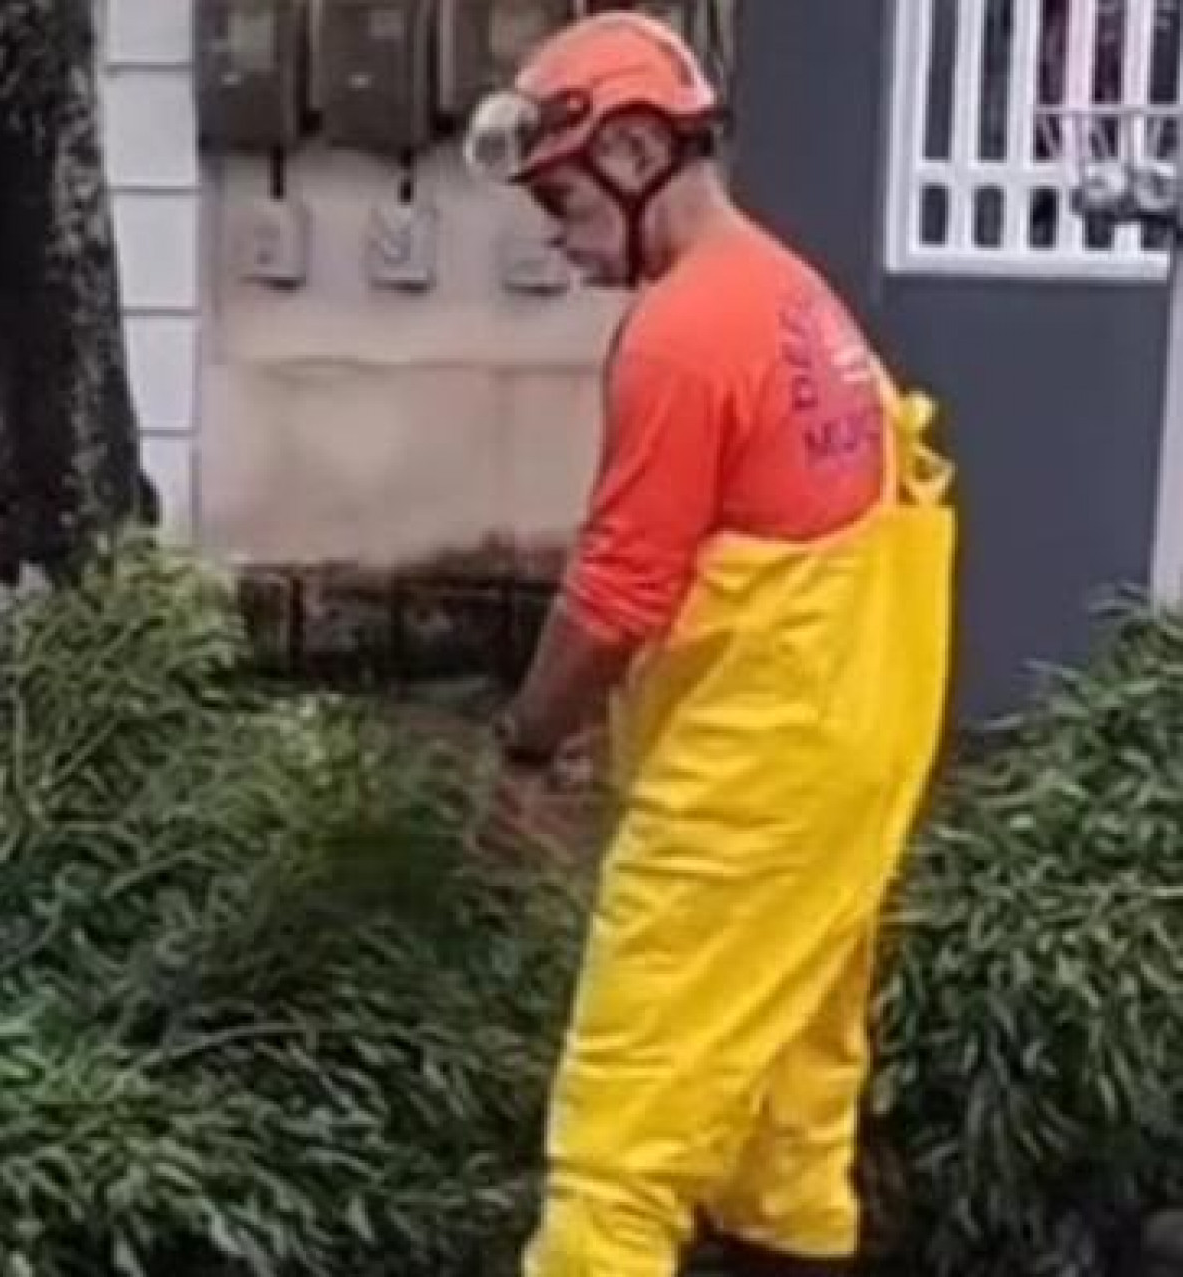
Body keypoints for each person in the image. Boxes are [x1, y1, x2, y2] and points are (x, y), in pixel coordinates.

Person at [462, 13, 955, 1277]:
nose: (561, 240)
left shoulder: (683, 333)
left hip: (749, 788)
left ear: (636, 152)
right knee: (788, 1113)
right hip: (848, 769)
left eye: (564, 201)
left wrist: (523, 747)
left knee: (619, 1140)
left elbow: (615, 598)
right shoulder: (795, 295)